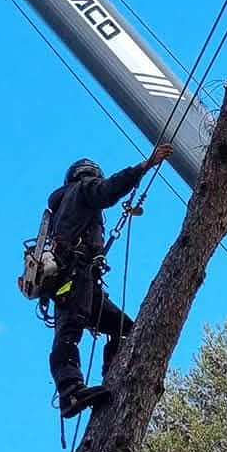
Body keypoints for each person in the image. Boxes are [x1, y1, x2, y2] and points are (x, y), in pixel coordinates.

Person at [47, 143, 173, 418]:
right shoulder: (82, 189)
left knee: (125, 328)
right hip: (76, 277)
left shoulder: (60, 211)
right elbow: (107, 190)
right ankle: (70, 392)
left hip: (79, 282)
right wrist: (144, 166)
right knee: (69, 333)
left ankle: (114, 370)